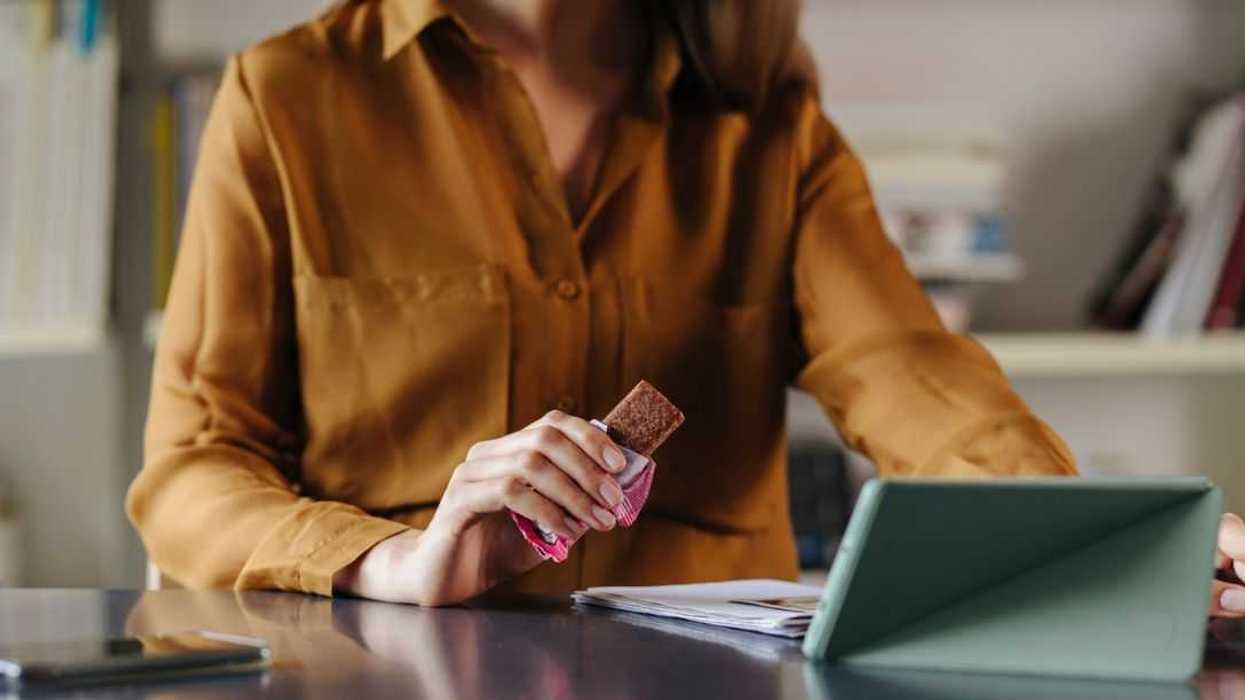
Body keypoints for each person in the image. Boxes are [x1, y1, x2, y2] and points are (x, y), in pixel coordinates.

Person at [125, 0, 1245, 614]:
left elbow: (913, 374)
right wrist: (393, 559)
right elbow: (192, 466)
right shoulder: (289, 98)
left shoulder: (769, 122)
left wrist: (1109, 542)